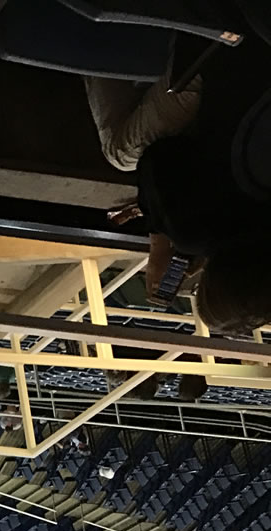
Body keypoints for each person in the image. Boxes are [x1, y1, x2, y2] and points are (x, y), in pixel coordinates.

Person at [83, 64, 271, 334]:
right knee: (122, 154)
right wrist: (159, 242)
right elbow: (156, 158)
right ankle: (92, 42)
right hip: (220, 60)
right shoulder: (196, 232)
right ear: (211, 281)